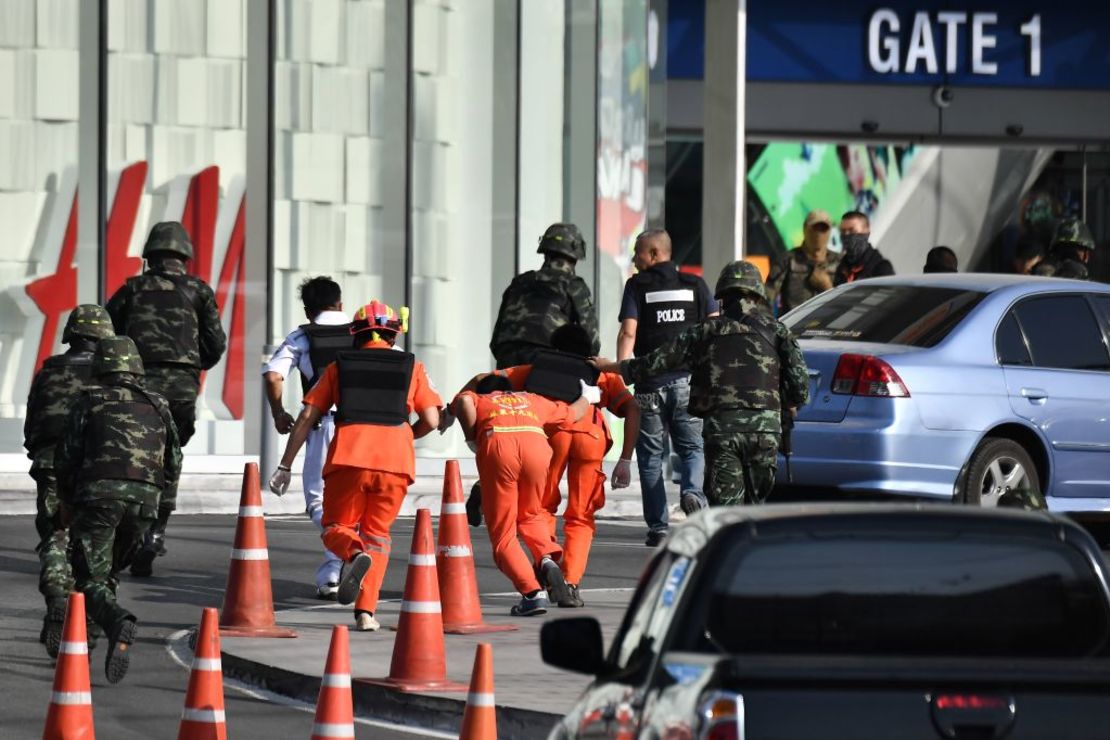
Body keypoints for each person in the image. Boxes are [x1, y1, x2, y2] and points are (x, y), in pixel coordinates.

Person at [269, 301, 441, 633]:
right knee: (378, 536)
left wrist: (285, 465)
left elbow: (308, 416)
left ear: (355, 334)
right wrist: (407, 435)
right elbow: (433, 419)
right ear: (393, 333)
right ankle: (366, 613)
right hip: (395, 461)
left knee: (336, 525)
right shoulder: (412, 367)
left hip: (349, 457)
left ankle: (352, 552)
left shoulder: (338, 366)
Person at [595, 261, 809, 508]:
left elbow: (654, 363)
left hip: (722, 430)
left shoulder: (705, 331)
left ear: (722, 297)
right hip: (765, 432)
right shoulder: (779, 331)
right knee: (755, 509)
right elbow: (799, 389)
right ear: (758, 294)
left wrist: (609, 366)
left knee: (726, 513)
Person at [55, 336, 182, 683]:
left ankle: (117, 622)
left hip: (99, 497)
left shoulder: (89, 401)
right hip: (145, 501)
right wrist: (162, 503)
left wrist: (65, 500)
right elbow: (174, 461)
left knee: (89, 576)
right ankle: (88, 644)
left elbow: (66, 456)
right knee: (108, 573)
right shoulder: (158, 404)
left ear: (103, 367)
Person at [106, 221, 226, 576]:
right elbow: (215, 344)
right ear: (184, 256)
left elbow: (108, 335)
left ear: (150, 255)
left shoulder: (132, 289)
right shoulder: (198, 291)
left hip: (138, 382)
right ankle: (155, 533)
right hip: (181, 386)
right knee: (170, 453)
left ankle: (130, 531)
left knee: (132, 453)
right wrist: (190, 366)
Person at [489, 324, 639, 606]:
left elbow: (491, 379)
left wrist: (453, 409)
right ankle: (570, 584)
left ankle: (547, 560)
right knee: (582, 516)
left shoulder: (541, 367)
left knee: (541, 506)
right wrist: (625, 459)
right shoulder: (601, 371)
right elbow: (632, 408)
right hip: (590, 437)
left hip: (552, 434)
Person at [452, 375, 594, 616]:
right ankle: (546, 559)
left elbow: (464, 402)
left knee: (504, 534)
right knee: (531, 515)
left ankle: (532, 594)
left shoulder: (482, 399)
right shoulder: (531, 399)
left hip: (499, 448)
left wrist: (470, 437)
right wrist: (588, 396)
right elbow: (572, 414)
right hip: (537, 448)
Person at [24, 304, 115, 656]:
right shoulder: (108, 374)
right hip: (93, 468)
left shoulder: (48, 372)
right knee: (91, 543)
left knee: (54, 534)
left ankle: (57, 597)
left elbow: (33, 424)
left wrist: (40, 455)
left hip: (51, 464)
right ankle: (85, 620)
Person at [616, 229, 717, 546]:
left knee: (650, 458)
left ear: (656, 254)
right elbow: (715, 328)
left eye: (639, 253)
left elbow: (628, 334)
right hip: (688, 383)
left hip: (649, 385)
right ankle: (692, 493)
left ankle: (658, 528)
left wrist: (623, 372)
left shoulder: (637, 286)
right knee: (692, 449)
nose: (635, 259)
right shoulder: (695, 285)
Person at [263, 276, 350, 600]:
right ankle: (334, 568)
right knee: (355, 501)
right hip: (369, 429)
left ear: (308, 310)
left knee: (318, 501)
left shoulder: (303, 337)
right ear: (340, 304)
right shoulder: (367, 333)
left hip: (324, 424)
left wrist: (278, 412)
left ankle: (346, 552)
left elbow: (273, 376)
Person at [490, 223, 600, 369]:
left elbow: (497, 338)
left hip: (506, 361)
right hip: (544, 363)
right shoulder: (573, 285)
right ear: (576, 254)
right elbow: (591, 343)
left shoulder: (520, 282)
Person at [765, 210, 841, 313]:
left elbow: (847, 305)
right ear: (805, 229)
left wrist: (827, 287)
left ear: (829, 232)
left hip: (830, 326)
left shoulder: (839, 262)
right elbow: (766, 300)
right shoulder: (787, 260)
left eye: (823, 229)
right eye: (814, 228)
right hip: (793, 326)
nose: (818, 234)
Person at [834, 211, 894, 285]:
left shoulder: (881, 267)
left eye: (852, 230)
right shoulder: (841, 269)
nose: (846, 235)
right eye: (843, 231)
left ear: (866, 232)